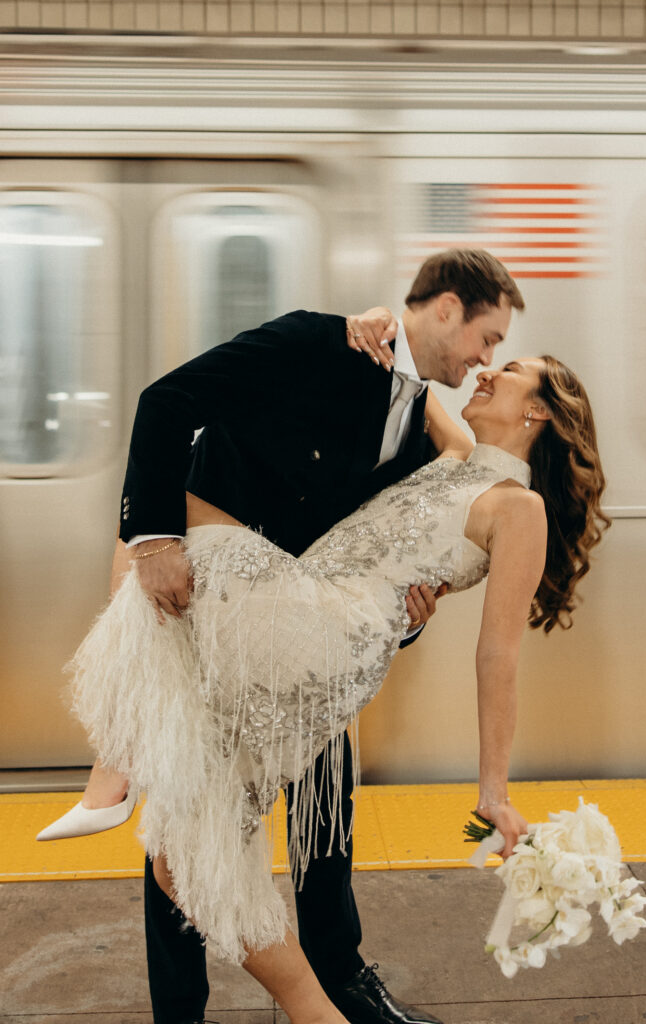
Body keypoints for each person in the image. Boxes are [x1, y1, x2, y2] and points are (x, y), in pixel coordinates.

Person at [45, 250, 530, 1024]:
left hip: (308, 650)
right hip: (215, 612)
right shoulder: (318, 342)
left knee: (325, 826)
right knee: (188, 824)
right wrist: (156, 540)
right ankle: (185, 1009)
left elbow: (383, 544)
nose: (484, 358)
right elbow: (169, 402)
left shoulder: (419, 430)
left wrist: (407, 610)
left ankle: (341, 986)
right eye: (486, 336)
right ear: (445, 309)